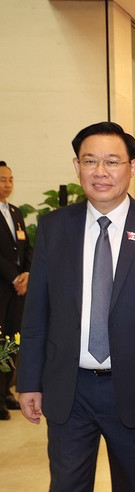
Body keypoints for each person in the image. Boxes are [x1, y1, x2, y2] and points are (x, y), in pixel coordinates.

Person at [16, 122, 135, 492]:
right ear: (76, 166)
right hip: (69, 389)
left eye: (112, 161)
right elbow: (37, 310)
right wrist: (29, 380)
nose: (100, 171)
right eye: (90, 161)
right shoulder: (55, 228)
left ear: (133, 167)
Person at [0, 161, 32, 420]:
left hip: (18, 291)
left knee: (12, 340)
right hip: (2, 287)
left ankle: (5, 391)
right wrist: (13, 276)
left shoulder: (15, 212)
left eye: (10, 179)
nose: (7, 184)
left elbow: (26, 248)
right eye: (2, 180)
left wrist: (27, 275)